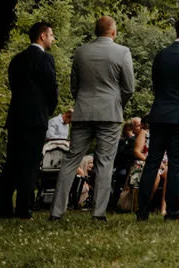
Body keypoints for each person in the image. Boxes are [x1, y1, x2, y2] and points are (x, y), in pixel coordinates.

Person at [51, 16, 135, 221]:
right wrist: (117, 104)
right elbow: (129, 88)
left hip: (83, 111)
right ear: (113, 32)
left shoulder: (81, 52)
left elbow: (74, 85)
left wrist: (82, 102)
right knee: (105, 161)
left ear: (95, 31)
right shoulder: (122, 52)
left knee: (71, 159)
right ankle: (98, 213)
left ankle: (56, 211)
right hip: (110, 113)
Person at [137, 15, 179, 221]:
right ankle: (173, 212)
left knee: (152, 162)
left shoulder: (161, 55)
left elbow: (156, 85)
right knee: (176, 165)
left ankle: (142, 211)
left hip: (159, 115)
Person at [0, 20, 58, 219]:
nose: (53, 39)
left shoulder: (17, 59)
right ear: (42, 36)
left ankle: (4, 207)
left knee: (12, 161)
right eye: (51, 35)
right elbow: (51, 89)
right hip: (35, 118)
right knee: (30, 164)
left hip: (16, 116)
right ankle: (24, 208)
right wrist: (47, 110)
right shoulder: (45, 59)